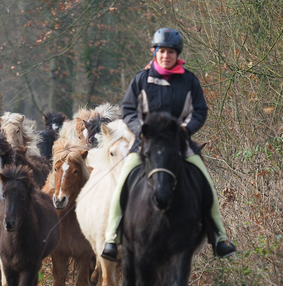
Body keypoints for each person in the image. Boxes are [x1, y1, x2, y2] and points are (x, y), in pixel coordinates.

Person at [101, 27, 237, 261]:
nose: (166, 56)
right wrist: (140, 131)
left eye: (170, 52)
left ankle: (219, 237)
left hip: (179, 145)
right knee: (123, 182)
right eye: (162, 51)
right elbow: (129, 110)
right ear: (155, 52)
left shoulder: (189, 81)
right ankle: (112, 237)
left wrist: (187, 129)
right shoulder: (140, 80)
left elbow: (200, 111)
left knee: (205, 182)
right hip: (146, 145)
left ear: (177, 54)